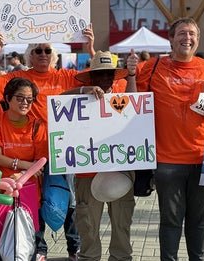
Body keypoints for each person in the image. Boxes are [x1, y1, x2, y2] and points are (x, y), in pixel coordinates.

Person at [0, 26, 96, 261]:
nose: (43, 54)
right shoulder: (20, 79)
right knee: (37, 201)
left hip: (63, 149)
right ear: (29, 56)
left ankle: (73, 246)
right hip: (33, 149)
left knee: (66, 200)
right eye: (37, 51)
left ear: (53, 55)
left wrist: (90, 49)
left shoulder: (64, 75)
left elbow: (95, 77)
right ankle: (39, 248)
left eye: (47, 50)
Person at [130, 17, 204, 260]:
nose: (188, 38)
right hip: (167, 161)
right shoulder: (152, 67)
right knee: (170, 222)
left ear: (197, 39)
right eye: (182, 33)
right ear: (171, 39)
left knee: (199, 221)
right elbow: (133, 102)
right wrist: (132, 74)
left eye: (192, 34)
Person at [62, 50, 137, 261]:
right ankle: (89, 258)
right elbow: (57, 103)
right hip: (87, 174)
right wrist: (84, 90)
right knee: (88, 227)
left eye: (108, 74)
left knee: (122, 224)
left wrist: (131, 76)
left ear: (114, 77)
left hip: (121, 171)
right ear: (91, 76)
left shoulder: (122, 96)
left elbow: (137, 106)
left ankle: (121, 258)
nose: (104, 79)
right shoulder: (79, 97)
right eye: (99, 75)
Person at [0, 77, 46, 260]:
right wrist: (26, 166)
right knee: (3, 248)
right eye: (20, 98)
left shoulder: (37, 125)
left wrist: (21, 173)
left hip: (30, 194)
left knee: (30, 246)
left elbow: (41, 162)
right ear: (7, 97)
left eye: (29, 99)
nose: (25, 103)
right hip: (2, 194)